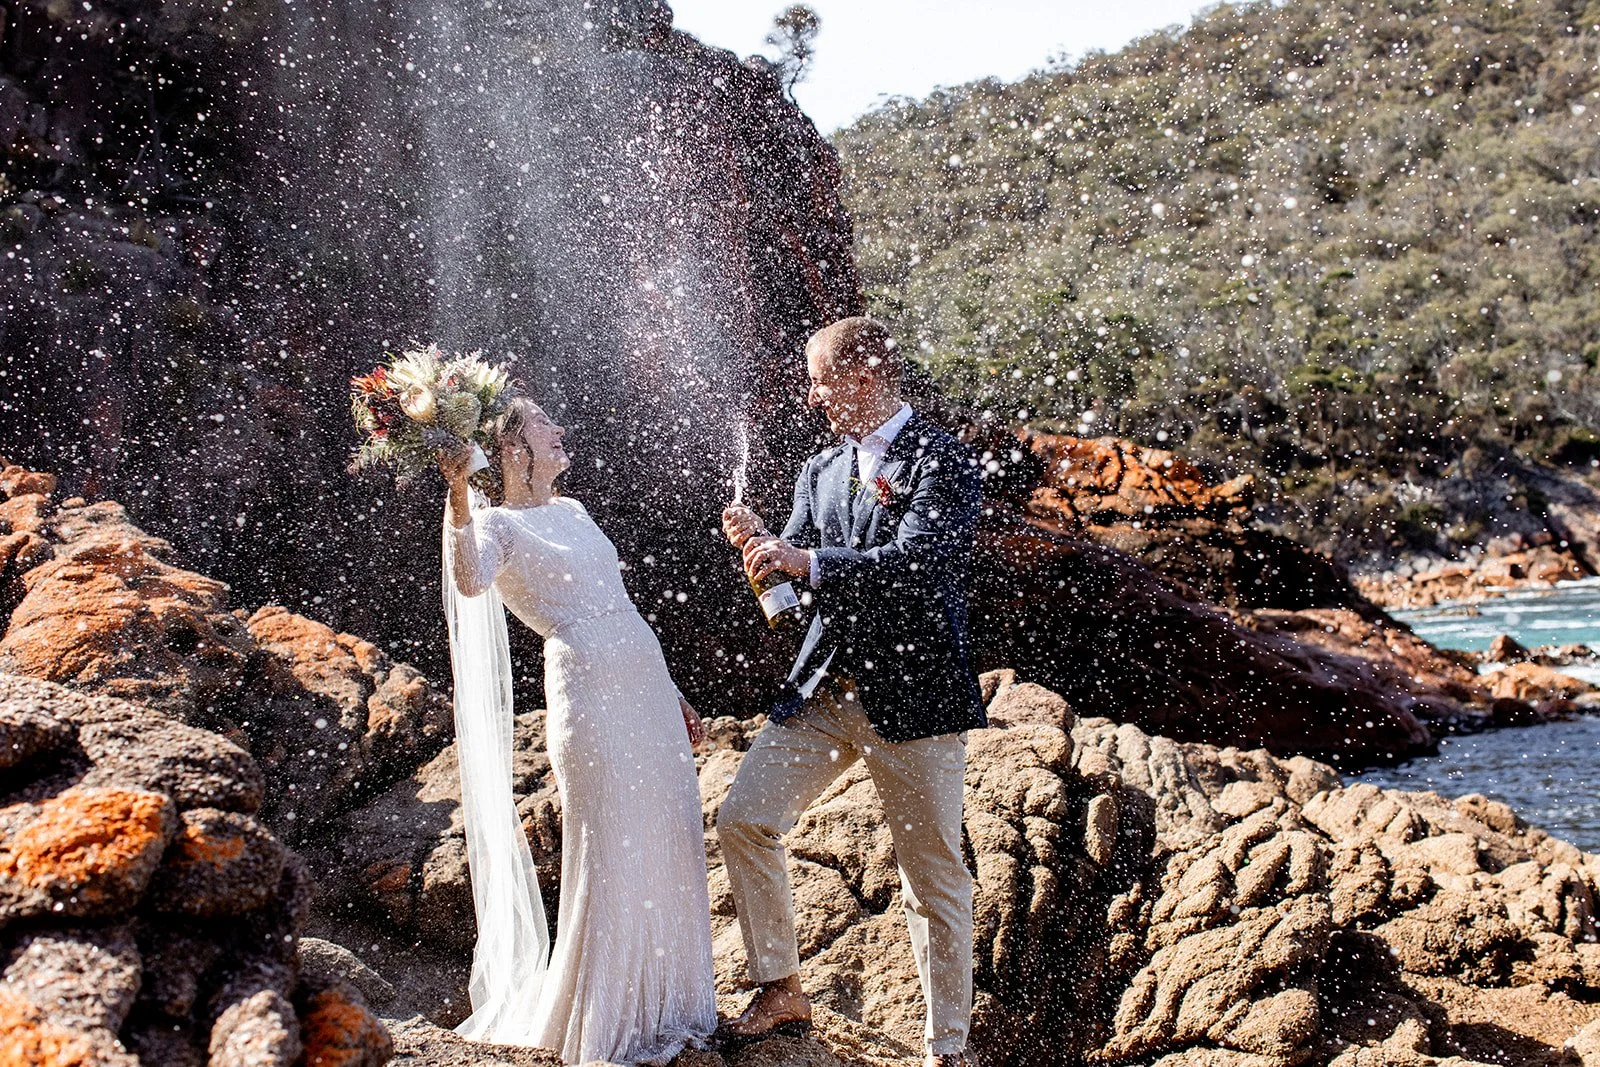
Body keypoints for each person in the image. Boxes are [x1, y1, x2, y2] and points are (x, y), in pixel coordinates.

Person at [718, 316, 987, 1067]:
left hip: (916, 700)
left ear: (866, 374)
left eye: (821, 378)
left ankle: (947, 1049)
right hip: (824, 689)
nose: (813, 395)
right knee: (743, 816)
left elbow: (920, 563)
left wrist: (805, 558)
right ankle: (780, 989)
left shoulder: (943, 458)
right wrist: (761, 551)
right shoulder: (819, 470)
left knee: (931, 876)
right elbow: (796, 598)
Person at [438, 395, 716, 1065]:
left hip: (646, 685)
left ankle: (671, 1004)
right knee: (612, 843)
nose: (559, 431)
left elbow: (616, 602)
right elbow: (471, 579)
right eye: (542, 424)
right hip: (587, 693)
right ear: (512, 448)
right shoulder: (496, 524)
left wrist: (671, 689)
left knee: (669, 835)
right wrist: (456, 494)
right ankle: (607, 1020)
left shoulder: (575, 510)